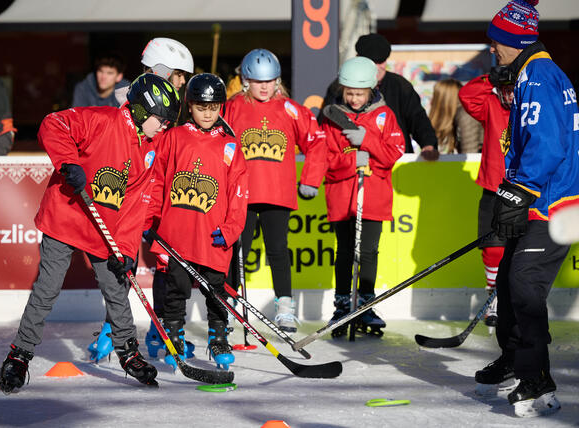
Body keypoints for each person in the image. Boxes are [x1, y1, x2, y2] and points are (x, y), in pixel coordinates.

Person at [0, 73, 180, 393]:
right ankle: (20, 354)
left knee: (116, 287)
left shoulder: (148, 149)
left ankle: (127, 352)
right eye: (160, 120)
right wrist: (68, 163)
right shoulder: (100, 119)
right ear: (139, 110)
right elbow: (53, 124)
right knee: (48, 288)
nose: (164, 126)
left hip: (103, 229)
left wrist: (125, 249)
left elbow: (134, 205)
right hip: (65, 218)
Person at [474, 0, 579, 417]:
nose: (493, 51)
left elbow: (547, 144)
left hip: (556, 206)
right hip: (547, 199)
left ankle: (535, 379)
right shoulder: (544, 72)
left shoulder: (538, 77)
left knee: (525, 286)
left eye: (496, 44)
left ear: (514, 40)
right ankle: (513, 359)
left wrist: (520, 190)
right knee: (510, 278)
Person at [87, 37, 196, 362]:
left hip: (166, 195)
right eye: (179, 76)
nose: (182, 84)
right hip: (135, 198)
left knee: (166, 264)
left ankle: (160, 329)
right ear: (162, 72)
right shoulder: (129, 104)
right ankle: (112, 331)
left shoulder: (174, 107)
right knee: (124, 264)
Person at [145, 73, 247, 370]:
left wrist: (230, 230)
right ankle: (174, 337)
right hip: (176, 233)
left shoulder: (230, 146)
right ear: (189, 106)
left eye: (214, 107)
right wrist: (150, 221)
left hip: (213, 234)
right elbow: (156, 181)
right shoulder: (172, 138)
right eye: (202, 107)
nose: (207, 113)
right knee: (175, 288)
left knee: (216, 289)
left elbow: (239, 194)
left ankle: (218, 338)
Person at [224, 48, 326, 332]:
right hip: (242, 194)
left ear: (278, 80)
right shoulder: (232, 107)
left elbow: (317, 141)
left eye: (270, 81)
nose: (265, 86)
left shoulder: (290, 109)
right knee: (237, 250)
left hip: (277, 193)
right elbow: (216, 141)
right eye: (258, 81)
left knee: (278, 250)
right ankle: (231, 303)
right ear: (246, 81)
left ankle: (285, 307)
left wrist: (311, 178)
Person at [322, 57, 406, 337]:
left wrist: (366, 140)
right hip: (343, 197)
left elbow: (393, 153)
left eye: (359, 93)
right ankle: (343, 304)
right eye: (349, 93)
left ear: (371, 90)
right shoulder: (333, 117)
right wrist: (352, 161)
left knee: (368, 251)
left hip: (373, 197)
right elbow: (327, 161)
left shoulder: (385, 116)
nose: (354, 99)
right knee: (345, 251)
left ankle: (366, 303)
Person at [321, 33, 438, 160]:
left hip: (395, 160)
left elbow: (418, 119)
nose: (377, 68)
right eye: (371, 63)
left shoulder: (400, 86)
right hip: (350, 160)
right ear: (358, 60)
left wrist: (428, 143)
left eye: (380, 61)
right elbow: (325, 123)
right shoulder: (341, 87)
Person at [459, 68, 512, 326]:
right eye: (507, 89)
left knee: (522, 251)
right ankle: (494, 298)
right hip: (493, 188)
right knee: (492, 248)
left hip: (525, 191)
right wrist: (491, 79)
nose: (511, 95)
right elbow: (467, 95)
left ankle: (516, 299)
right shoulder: (491, 104)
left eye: (515, 89)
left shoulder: (533, 109)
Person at [429, 79, 482, 154]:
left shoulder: (466, 115)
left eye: (435, 96)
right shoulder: (459, 116)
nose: (431, 101)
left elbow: (470, 156)